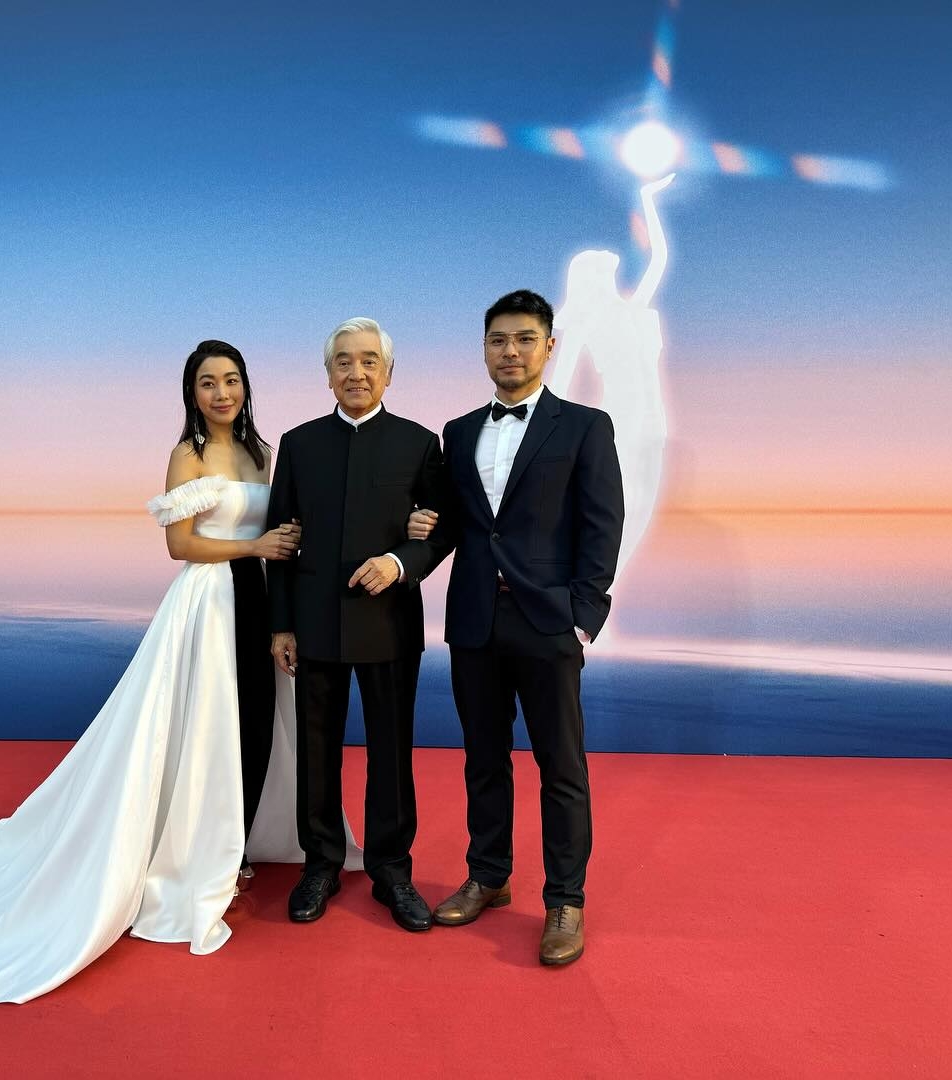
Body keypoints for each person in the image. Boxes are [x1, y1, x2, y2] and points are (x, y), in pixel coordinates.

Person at [0, 340, 330, 1003]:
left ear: (246, 386)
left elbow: (283, 532)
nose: (222, 393)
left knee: (252, 724)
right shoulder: (188, 454)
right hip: (209, 605)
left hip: (258, 602)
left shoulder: (264, 452)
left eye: (231, 380)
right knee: (203, 729)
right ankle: (195, 852)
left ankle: (236, 841)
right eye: (208, 383)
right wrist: (254, 545)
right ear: (191, 393)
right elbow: (179, 544)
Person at [427, 289, 624, 966]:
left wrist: (583, 617)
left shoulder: (585, 426)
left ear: (549, 346)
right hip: (473, 621)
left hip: (548, 624)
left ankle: (565, 900)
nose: (509, 351)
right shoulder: (457, 432)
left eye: (523, 339)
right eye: (497, 340)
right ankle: (488, 875)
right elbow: (457, 524)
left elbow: (603, 524)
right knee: (483, 760)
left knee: (561, 767)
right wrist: (416, 534)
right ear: (484, 349)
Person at [266, 317, 454, 933]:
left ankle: (392, 871)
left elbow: (442, 530)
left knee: (391, 753)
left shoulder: (420, 443)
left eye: (370, 360)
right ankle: (320, 863)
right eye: (343, 361)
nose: (357, 372)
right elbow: (281, 541)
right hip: (314, 623)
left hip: (389, 622)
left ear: (389, 372)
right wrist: (281, 625)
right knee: (316, 752)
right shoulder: (298, 444)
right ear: (327, 374)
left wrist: (400, 561)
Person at [549, 174, 674, 619]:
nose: (611, 269)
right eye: (602, 268)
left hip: (653, 419)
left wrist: (647, 199)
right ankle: (577, 602)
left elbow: (659, 259)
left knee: (637, 515)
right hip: (619, 420)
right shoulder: (586, 320)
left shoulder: (633, 309)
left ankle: (589, 603)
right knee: (614, 513)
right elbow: (559, 384)